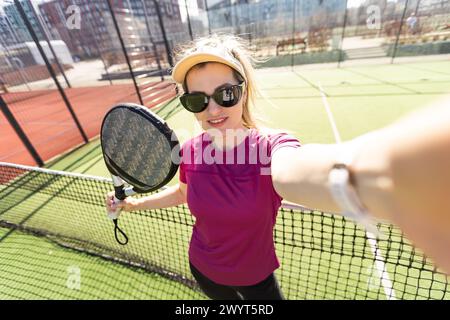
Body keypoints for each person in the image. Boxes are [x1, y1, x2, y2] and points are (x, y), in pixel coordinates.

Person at [106, 34, 450, 299]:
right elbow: (182, 193)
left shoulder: (271, 149)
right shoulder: (193, 152)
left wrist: (384, 173)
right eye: (197, 99)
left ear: (243, 91)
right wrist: (133, 203)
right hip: (204, 269)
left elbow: (294, 171)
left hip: (256, 278)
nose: (212, 110)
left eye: (225, 94)